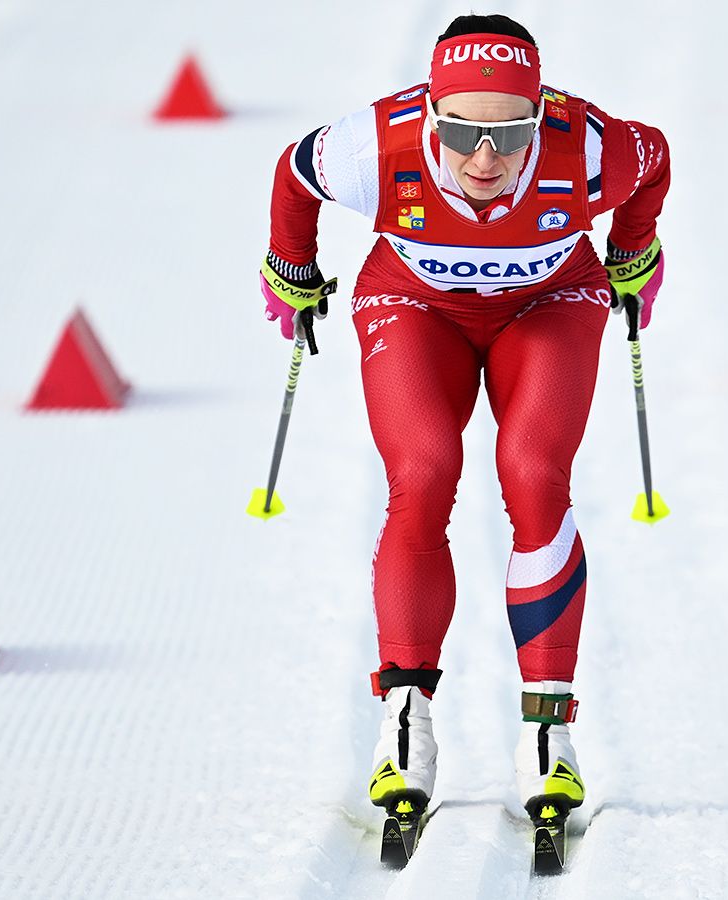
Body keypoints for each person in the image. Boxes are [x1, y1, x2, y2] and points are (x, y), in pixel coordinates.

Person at [258, 13, 670, 827]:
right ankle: (404, 719)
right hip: (414, 304)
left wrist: (633, 249)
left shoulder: (590, 146)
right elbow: (294, 176)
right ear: (430, 111)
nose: (485, 159)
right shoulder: (373, 146)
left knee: (534, 475)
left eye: (512, 135)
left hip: (550, 301)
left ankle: (548, 733)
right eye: (460, 133)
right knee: (422, 474)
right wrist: (290, 265)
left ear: (541, 114)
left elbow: (653, 161)